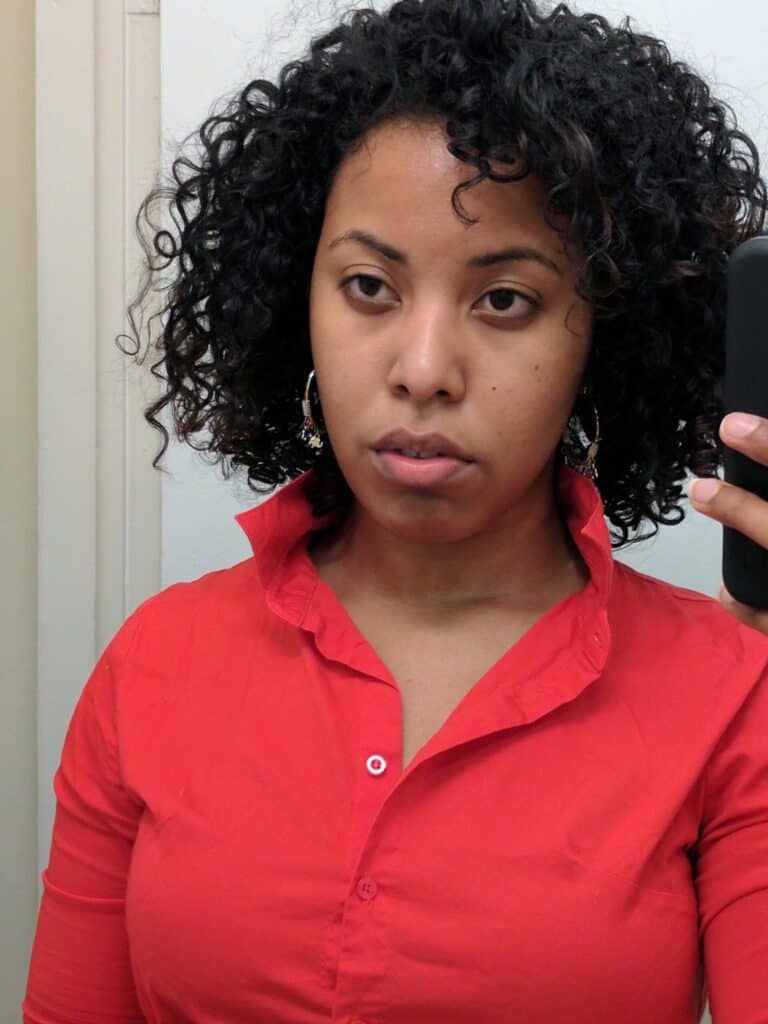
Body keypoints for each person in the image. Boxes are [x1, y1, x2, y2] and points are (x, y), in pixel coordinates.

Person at [22, 0, 768, 1021]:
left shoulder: (732, 697)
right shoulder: (154, 665)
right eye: (369, 285)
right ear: (300, 302)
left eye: (504, 300)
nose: (423, 371)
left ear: (603, 333)